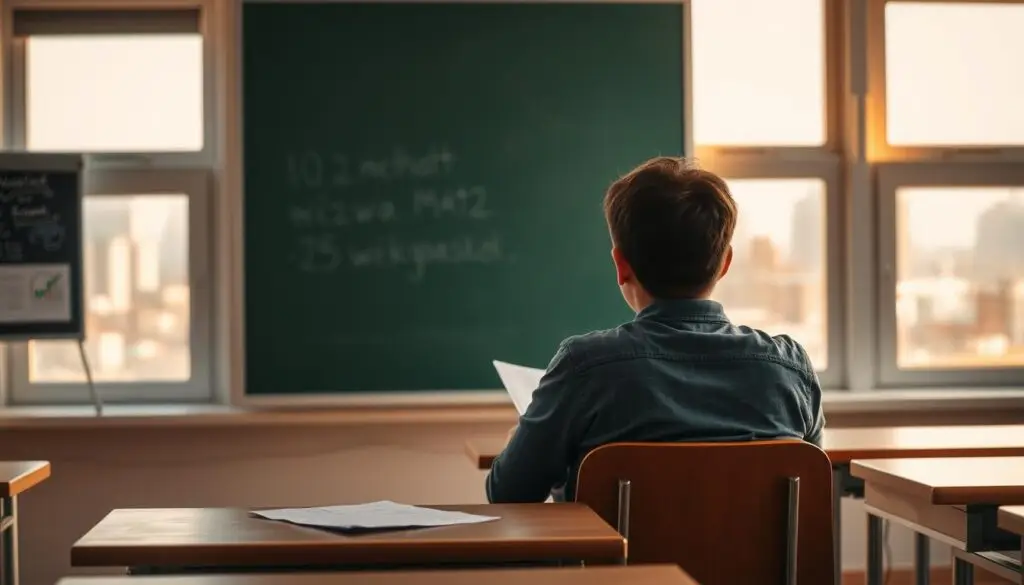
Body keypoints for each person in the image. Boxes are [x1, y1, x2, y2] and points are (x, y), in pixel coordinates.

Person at [485, 156, 825, 504]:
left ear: (621, 266)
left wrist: (523, 437)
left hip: (623, 562)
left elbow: (509, 494)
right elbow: (812, 498)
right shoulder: (790, 370)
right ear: (725, 264)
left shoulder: (583, 369)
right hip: (758, 562)